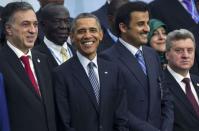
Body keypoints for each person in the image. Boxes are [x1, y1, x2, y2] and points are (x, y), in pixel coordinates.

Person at [101, 2, 173, 131]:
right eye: (141, 24)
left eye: (147, 23)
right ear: (123, 27)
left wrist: (166, 127)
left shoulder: (152, 54)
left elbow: (165, 98)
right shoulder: (107, 59)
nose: (147, 29)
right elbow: (115, 106)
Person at [53, 13, 129, 131]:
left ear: (101, 35)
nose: (88, 36)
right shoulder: (61, 74)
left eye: (92, 30)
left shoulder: (114, 70)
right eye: (81, 31)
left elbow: (121, 118)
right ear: (72, 37)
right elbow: (64, 123)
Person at [0, 2, 56, 131]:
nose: (32, 30)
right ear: (8, 29)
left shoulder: (45, 60)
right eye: (25, 24)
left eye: (35, 24)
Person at [163, 29, 199, 131]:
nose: (185, 55)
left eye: (190, 50)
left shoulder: (197, 80)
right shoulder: (159, 83)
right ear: (167, 54)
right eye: (179, 50)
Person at [34, 3, 75, 69]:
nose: (63, 26)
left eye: (66, 21)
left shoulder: (78, 52)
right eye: (57, 21)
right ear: (42, 25)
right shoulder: (34, 56)